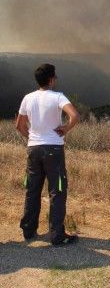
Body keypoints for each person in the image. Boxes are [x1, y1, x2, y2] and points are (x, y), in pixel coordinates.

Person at [16, 63, 80, 246]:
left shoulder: (27, 98)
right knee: (57, 192)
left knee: (32, 190)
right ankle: (57, 236)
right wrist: (66, 128)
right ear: (51, 80)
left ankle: (28, 231)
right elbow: (74, 116)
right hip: (54, 149)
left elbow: (19, 126)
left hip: (33, 149)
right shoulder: (58, 96)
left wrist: (32, 138)